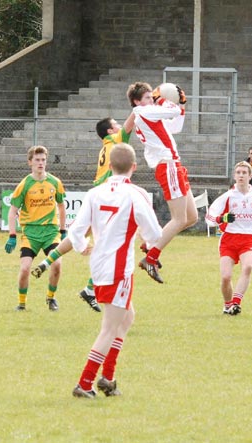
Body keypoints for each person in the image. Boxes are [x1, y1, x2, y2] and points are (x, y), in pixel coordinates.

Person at [34, 143, 162, 398]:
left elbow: (76, 230)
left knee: (127, 317)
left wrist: (82, 246)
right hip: (119, 268)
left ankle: (108, 377)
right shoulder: (137, 194)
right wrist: (147, 243)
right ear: (134, 168)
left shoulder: (95, 193)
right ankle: (85, 383)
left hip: (99, 264)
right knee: (109, 328)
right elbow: (155, 233)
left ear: (110, 166)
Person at [127, 82, 198, 283]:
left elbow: (175, 125)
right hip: (168, 166)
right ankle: (151, 257)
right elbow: (171, 109)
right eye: (148, 97)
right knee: (179, 219)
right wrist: (164, 98)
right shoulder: (143, 111)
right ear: (137, 102)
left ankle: (151, 244)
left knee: (191, 217)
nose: (152, 100)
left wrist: (181, 105)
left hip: (174, 166)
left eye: (152, 97)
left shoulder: (148, 113)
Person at [77, 113, 136, 311]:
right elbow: (129, 125)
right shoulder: (114, 141)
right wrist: (141, 107)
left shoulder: (106, 146)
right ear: (110, 131)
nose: (119, 127)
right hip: (109, 195)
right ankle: (91, 288)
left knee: (106, 245)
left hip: (101, 193)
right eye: (115, 125)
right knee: (108, 245)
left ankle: (90, 288)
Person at [4, 145, 66, 312]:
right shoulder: (24, 184)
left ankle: (51, 298)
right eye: (37, 160)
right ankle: (22, 303)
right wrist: (12, 235)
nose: (41, 163)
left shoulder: (55, 182)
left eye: (43, 160)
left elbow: (61, 206)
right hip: (30, 234)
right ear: (30, 162)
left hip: (50, 233)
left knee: (57, 264)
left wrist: (63, 230)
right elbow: (12, 211)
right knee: (25, 269)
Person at [206, 161, 252, 315]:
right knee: (226, 277)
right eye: (238, 173)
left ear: (250, 176)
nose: (241, 175)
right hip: (229, 239)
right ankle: (227, 305)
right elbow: (209, 218)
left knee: (247, 267)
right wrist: (222, 218)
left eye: (244, 173)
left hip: (248, 238)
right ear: (234, 176)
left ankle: (236, 303)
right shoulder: (228, 196)